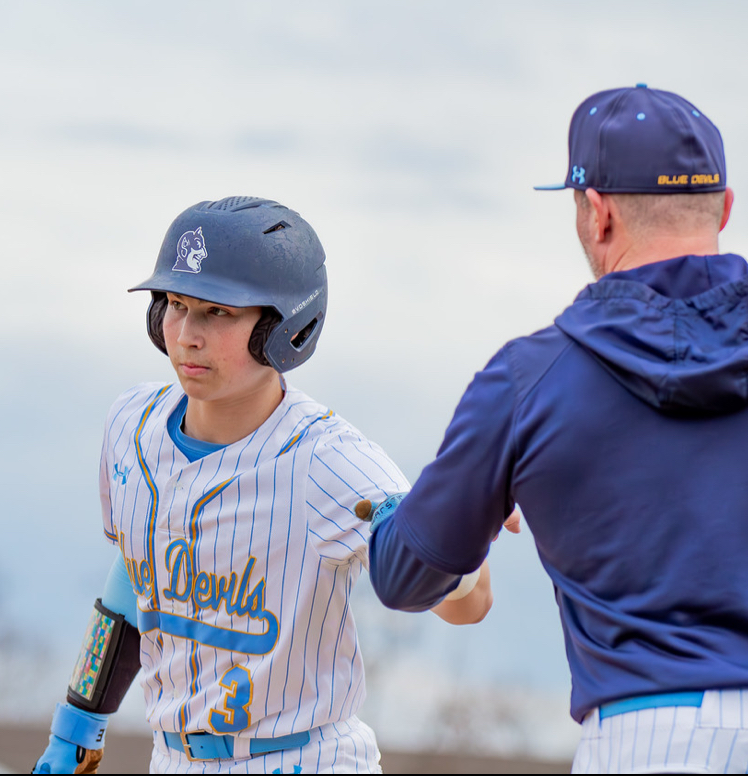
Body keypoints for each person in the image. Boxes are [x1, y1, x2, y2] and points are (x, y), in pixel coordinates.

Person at [365, 84, 748, 773]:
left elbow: (404, 576)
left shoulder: (529, 379)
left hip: (651, 742)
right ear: (725, 207)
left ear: (597, 211)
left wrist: (465, 502)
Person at [33, 196, 492, 774]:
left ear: (284, 327)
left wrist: (458, 536)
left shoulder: (330, 461)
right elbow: (134, 574)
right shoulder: (131, 427)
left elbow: (468, 606)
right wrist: (78, 724)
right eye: (175, 304)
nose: (186, 334)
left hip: (304, 759)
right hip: (172, 760)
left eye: (218, 312)